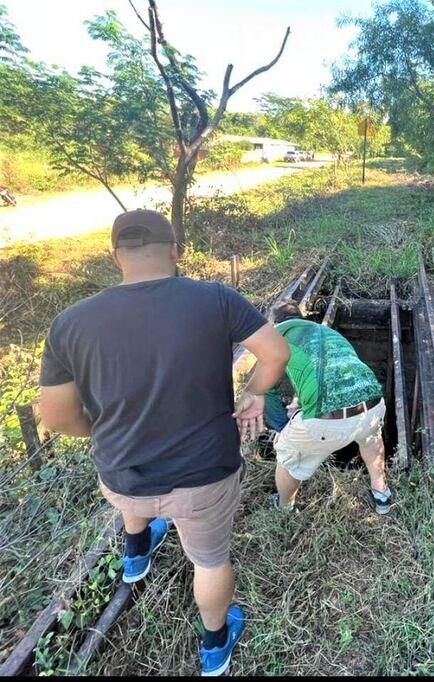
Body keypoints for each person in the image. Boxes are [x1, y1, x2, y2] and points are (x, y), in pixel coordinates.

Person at [38, 209, 289, 676]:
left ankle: (135, 556)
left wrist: (101, 431)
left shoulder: (69, 323)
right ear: (176, 250)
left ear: (116, 257)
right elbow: (276, 353)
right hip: (203, 477)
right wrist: (253, 393)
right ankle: (214, 646)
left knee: (135, 492)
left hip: (121, 474)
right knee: (210, 561)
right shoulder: (216, 299)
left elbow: (54, 416)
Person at [244, 300, 392, 514]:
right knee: (371, 437)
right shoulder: (327, 333)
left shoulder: (275, 340)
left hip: (328, 420)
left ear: (273, 322)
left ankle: (284, 508)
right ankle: (382, 495)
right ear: (300, 319)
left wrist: (282, 427)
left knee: (287, 452)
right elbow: (332, 374)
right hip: (373, 403)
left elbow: (264, 390)